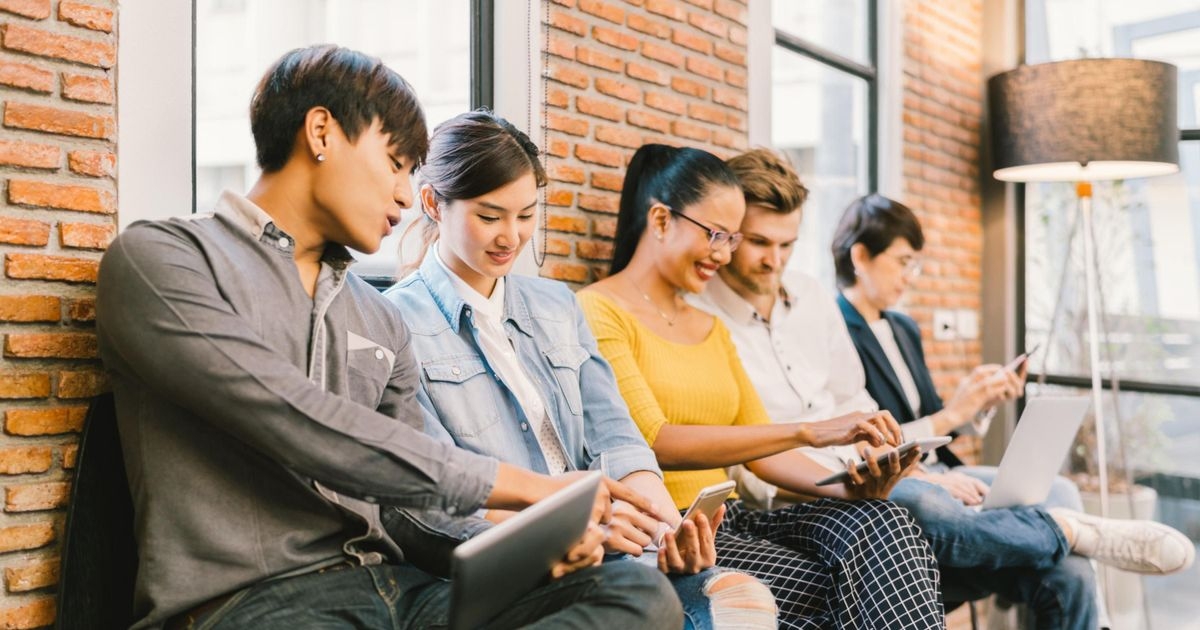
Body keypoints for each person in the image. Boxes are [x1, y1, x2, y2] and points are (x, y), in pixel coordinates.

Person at [96, 45, 681, 630]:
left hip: (396, 591)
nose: (406, 194)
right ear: (321, 131)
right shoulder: (162, 259)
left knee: (634, 592)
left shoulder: (377, 318)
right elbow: (298, 420)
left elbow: (410, 509)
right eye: (396, 162)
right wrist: (534, 489)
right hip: (253, 603)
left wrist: (537, 550)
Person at [690, 148, 1193, 629]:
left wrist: (917, 463)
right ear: (729, 234)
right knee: (930, 505)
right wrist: (930, 457)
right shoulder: (705, 322)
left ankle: (1072, 544)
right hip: (804, 491)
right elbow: (745, 454)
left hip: (877, 468)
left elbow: (856, 405)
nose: (773, 261)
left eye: (788, 245)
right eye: (758, 243)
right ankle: (1067, 529)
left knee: (1067, 567)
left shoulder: (817, 297)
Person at [382, 110, 779, 629]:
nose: (511, 236)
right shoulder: (395, 323)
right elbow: (436, 494)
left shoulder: (556, 306)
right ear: (434, 203)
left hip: (614, 549)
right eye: (490, 216)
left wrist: (662, 529)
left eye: (526, 215)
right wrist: (573, 527)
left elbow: (615, 432)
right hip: (512, 564)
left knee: (743, 601)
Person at [577, 143, 945, 629]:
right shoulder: (598, 310)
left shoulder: (708, 324)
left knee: (886, 520)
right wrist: (809, 432)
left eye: (731, 239)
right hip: (676, 531)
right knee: (841, 592)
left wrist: (848, 491)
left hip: (730, 516)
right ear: (662, 221)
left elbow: (760, 453)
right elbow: (653, 440)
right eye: (716, 235)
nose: (723, 254)